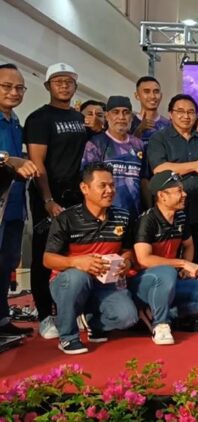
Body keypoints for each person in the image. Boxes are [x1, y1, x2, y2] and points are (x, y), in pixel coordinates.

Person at [43, 162, 139, 354]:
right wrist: (76, 262)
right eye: (102, 185)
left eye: (112, 185)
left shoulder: (123, 216)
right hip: (70, 282)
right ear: (84, 188)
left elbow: (127, 250)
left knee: (128, 317)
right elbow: (47, 259)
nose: (110, 190)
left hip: (106, 284)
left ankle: (91, 321)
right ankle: (68, 337)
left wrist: (126, 262)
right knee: (77, 277)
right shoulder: (66, 218)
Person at [25, 62, 89, 339]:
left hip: (77, 195)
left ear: (75, 86)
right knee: (45, 254)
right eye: (58, 81)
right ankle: (44, 315)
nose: (64, 86)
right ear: (47, 86)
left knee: (73, 253)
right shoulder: (39, 119)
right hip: (50, 194)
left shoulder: (79, 118)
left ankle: (72, 310)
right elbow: (37, 162)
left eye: (69, 82)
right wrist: (47, 199)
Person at [132, 171, 198, 345]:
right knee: (167, 272)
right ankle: (160, 324)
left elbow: (189, 245)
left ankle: (160, 313)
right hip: (143, 282)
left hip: (170, 281)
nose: (184, 194)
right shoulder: (147, 220)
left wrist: (185, 268)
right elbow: (143, 259)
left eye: (183, 190)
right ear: (162, 196)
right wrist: (182, 263)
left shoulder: (181, 217)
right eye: (178, 191)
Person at [147, 94, 198, 264]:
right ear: (170, 114)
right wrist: (194, 165)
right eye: (180, 111)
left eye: (190, 112)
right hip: (171, 211)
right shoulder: (159, 138)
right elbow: (159, 168)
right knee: (173, 258)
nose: (186, 116)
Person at [0, 63, 39, 336]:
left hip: (14, 206)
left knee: (7, 263)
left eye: (19, 88)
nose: (14, 92)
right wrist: (10, 160)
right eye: (6, 86)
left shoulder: (15, 122)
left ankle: (2, 319)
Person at [81, 96, 148, 219]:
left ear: (131, 117)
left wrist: (148, 210)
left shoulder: (138, 144)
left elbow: (144, 180)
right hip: (105, 216)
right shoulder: (95, 144)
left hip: (135, 215)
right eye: (115, 112)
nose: (121, 117)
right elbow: (88, 182)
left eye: (126, 112)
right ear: (107, 116)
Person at [131, 76, 170, 143]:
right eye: (147, 92)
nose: (152, 96)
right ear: (137, 95)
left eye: (156, 92)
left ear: (161, 95)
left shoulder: (168, 125)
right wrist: (138, 131)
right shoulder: (129, 123)